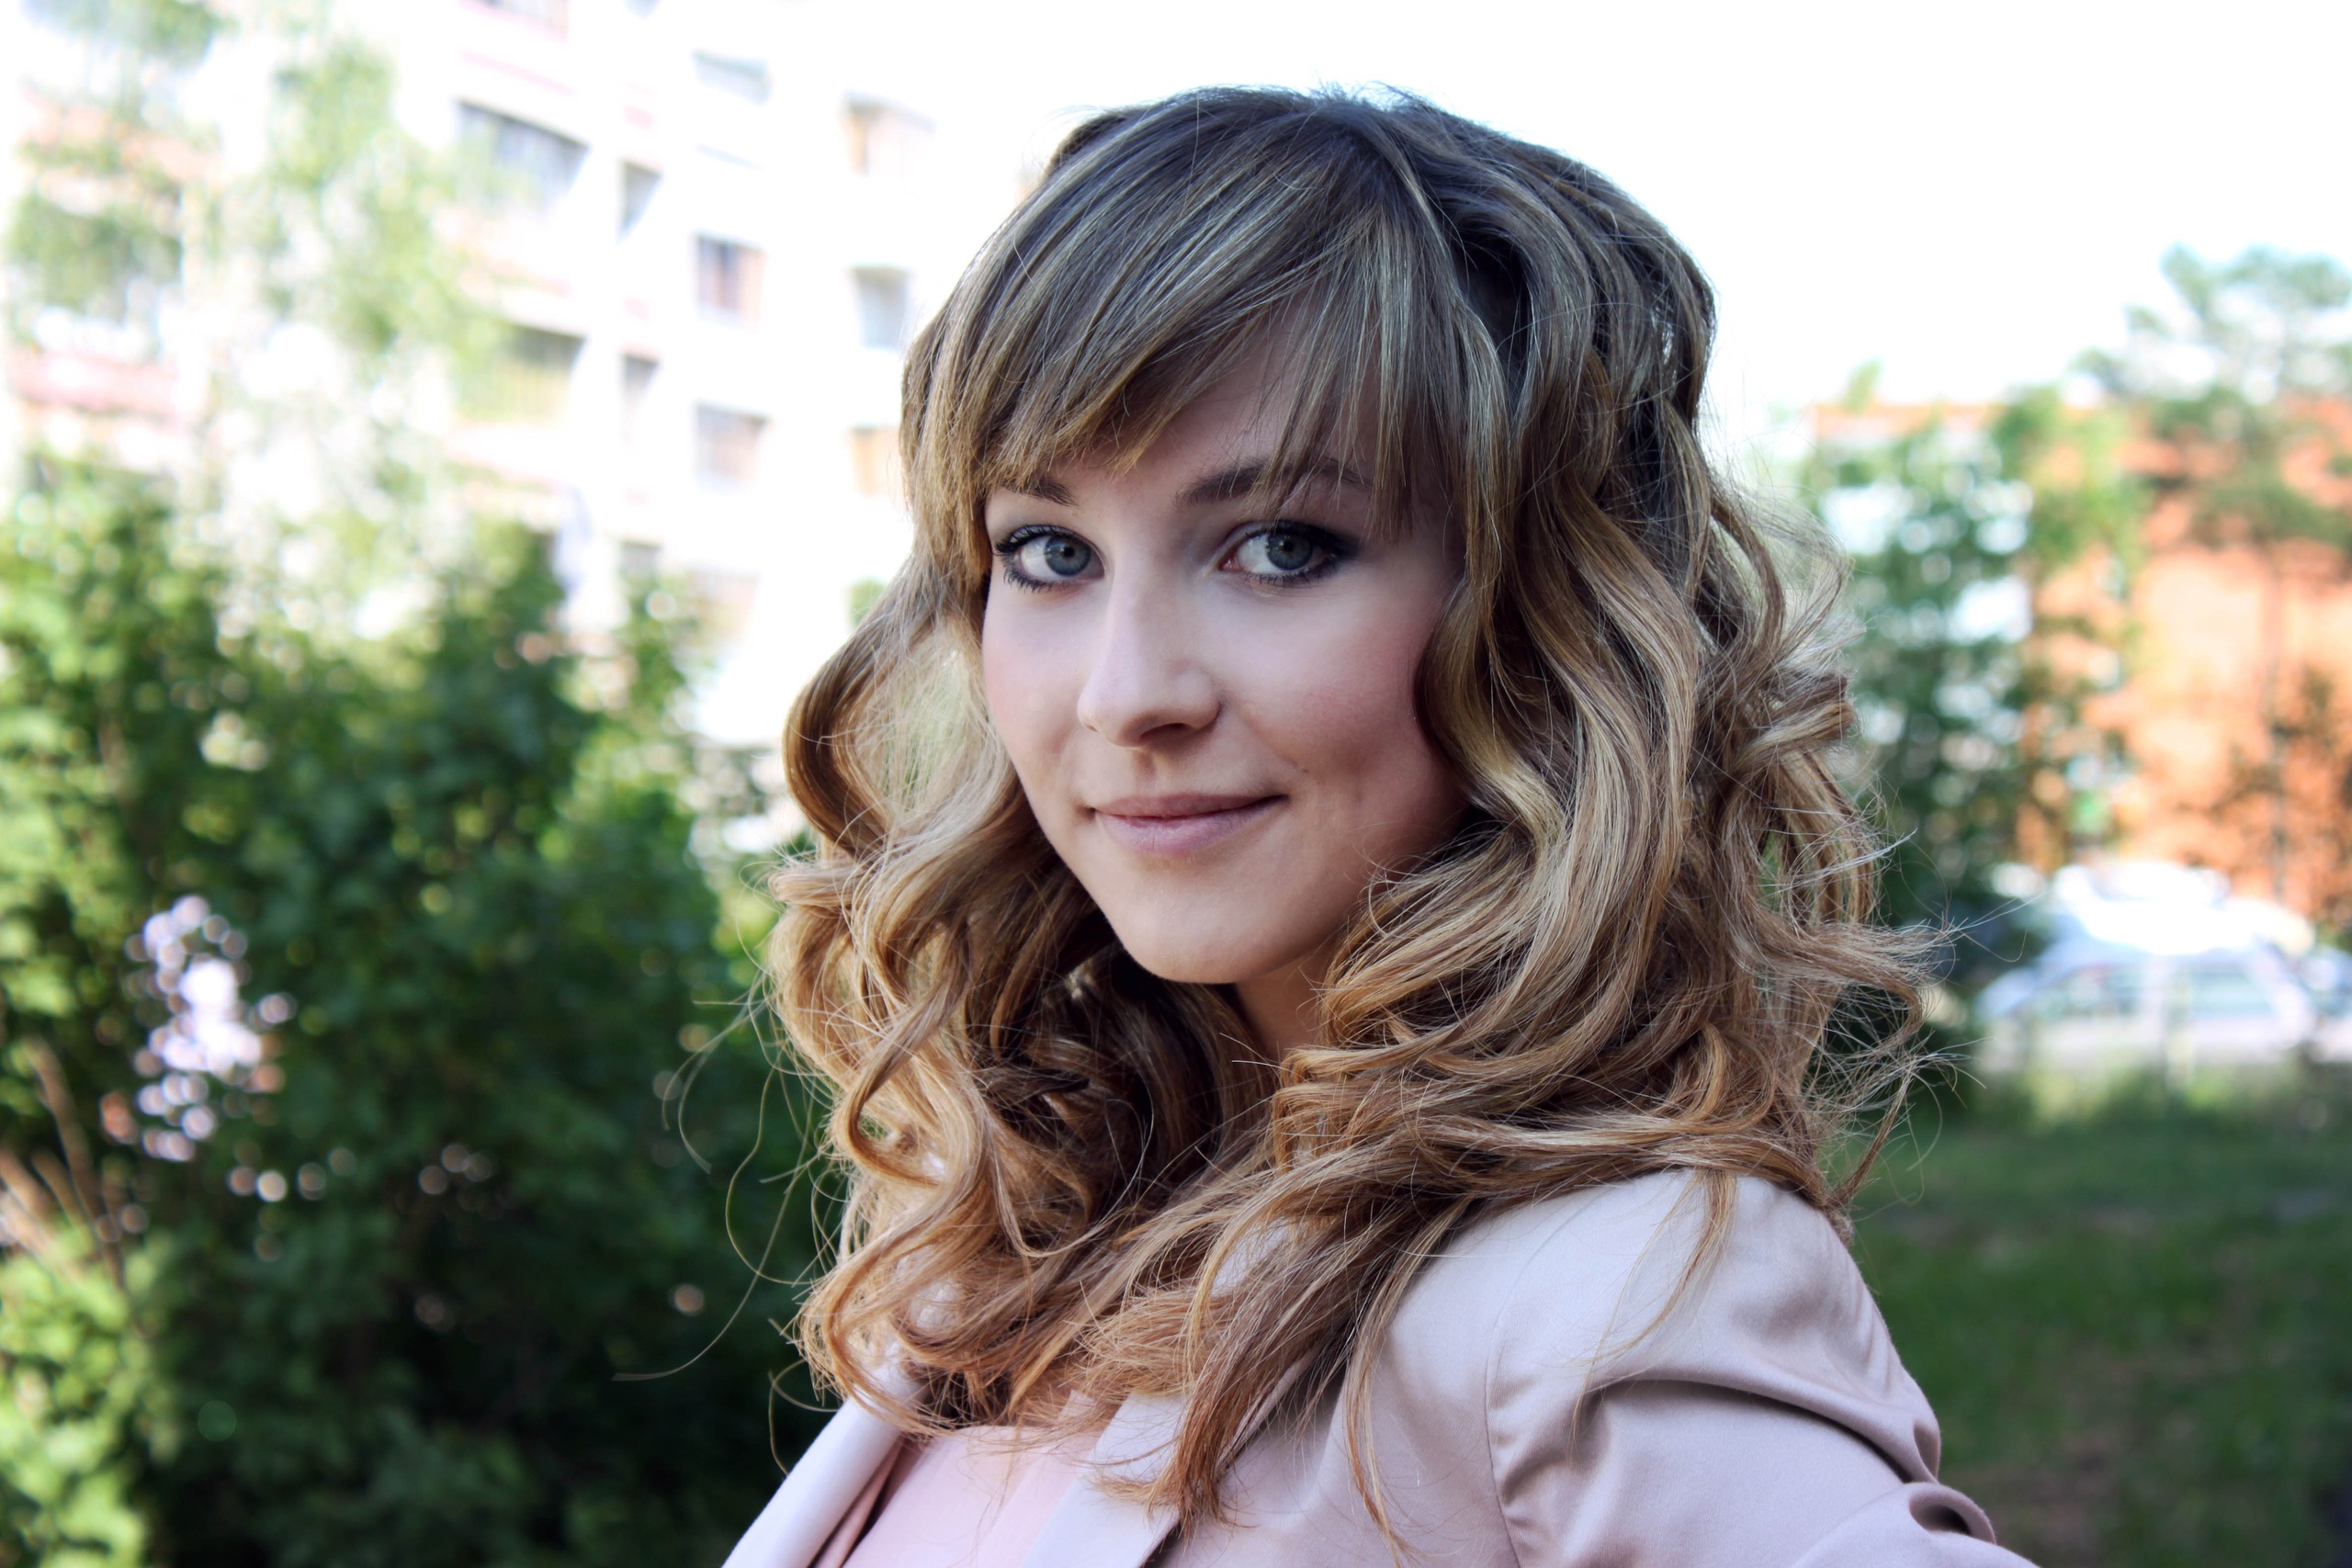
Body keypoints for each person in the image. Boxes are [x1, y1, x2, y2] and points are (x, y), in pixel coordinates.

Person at [727, 86, 2031, 1568]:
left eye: (1283, 546)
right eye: (1049, 551)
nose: (1125, 693)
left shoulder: (1605, 1299)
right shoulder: (1038, 1237)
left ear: (1542, 616)